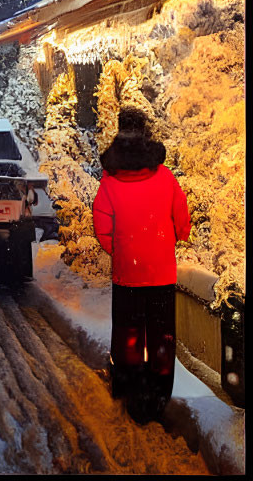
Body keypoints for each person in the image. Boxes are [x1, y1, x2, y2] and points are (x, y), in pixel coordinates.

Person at [93, 107, 191, 424]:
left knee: (128, 336)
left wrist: (123, 252)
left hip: (127, 275)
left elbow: (102, 229)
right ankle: (157, 398)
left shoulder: (109, 183)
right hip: (161, 273)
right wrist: (166, 243)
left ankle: (130, 390)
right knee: (161, 338)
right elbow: (182, 220)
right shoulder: (165, 177)